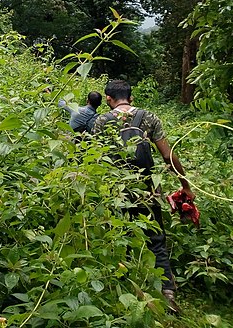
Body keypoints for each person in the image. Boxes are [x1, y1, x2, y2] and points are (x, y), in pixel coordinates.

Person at [92, 79, 195, 313]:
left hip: (117, 190)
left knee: (119, 236)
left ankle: (124, 291)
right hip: (148, 188)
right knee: (156, 239)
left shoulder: (101, 121)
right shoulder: (148, 117)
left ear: (108, 99)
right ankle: (167, 292)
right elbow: (168, 156)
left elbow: (97, 158)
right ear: (131, 98)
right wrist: (185, 186)